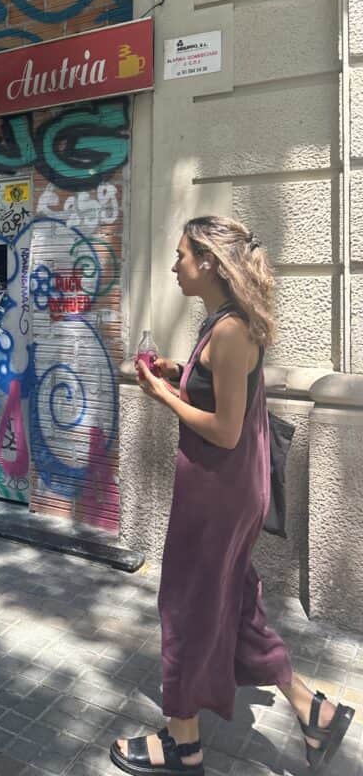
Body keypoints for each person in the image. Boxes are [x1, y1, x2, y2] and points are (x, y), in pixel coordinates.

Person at [110, 217, 355, 776]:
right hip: (229, 487)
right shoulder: (222, 323)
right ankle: (314, 712)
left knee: (186, 602)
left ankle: (183, 745)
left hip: (217, 491)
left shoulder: (230, 330)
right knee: (236, 605)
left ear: (209, 264)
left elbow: (224, 429)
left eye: (180, 257)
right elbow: (225, 391)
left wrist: (160, 395)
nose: (174, 266)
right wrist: (180, 372)